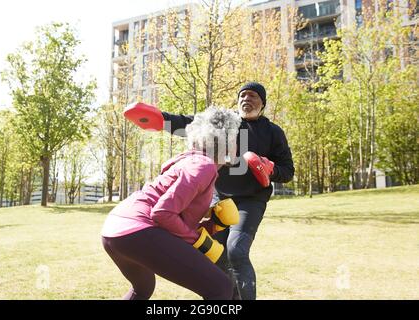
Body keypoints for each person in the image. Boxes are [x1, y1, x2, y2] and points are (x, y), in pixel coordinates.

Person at [127, 82, 295, 300]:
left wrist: (270, 169)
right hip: (218, 198)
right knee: (215, 254)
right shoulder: (228, 123)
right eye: (242, 95)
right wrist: (160, 119)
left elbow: (288, 171)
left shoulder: (273, 132)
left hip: (250, 201)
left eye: (252, 96)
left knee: (237, 250)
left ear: (263, 103)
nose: (246, 99)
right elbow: (189, 123)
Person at [101, 106, 242, 300]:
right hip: (137, 229)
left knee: (143, 288)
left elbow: (173, 223)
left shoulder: (194, 162)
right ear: (224, 141)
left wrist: (214, 225)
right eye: (236, 138)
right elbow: (162, 213)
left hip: (114, 229)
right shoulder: (204, 166)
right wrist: (198, 241)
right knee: (220, 289)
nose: (238, 144)